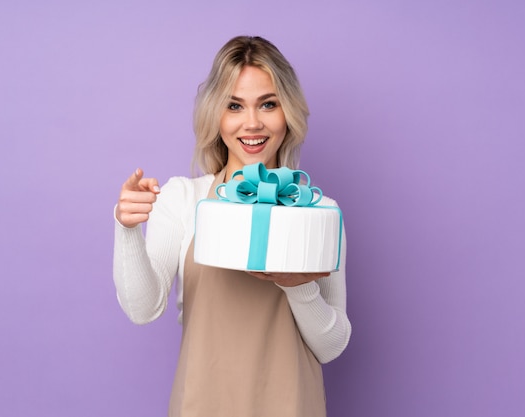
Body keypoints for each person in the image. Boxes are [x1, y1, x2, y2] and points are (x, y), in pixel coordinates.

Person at [113, 35, 351, 417]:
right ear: (216, 115)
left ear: (287, 111)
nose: (252, 123)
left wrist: (299, 287)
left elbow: (331, 345)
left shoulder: (320, 211)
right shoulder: (183, 199)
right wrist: (126, 229)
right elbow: (143, 309)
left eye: (268, 104)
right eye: (234, 105)